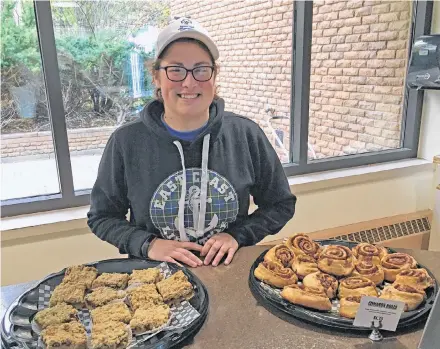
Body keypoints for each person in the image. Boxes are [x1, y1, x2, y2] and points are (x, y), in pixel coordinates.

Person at [87, 17, 296, 268]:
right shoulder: (126, 142)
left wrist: (237, 236)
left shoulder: (246, 134)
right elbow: (102, 217)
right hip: (154, 279)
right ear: (156, 77)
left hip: (228, 273)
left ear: (214, 75)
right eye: (175, 69)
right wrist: (148, 244)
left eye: (200, 69)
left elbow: (280, 204)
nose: (189, 82)